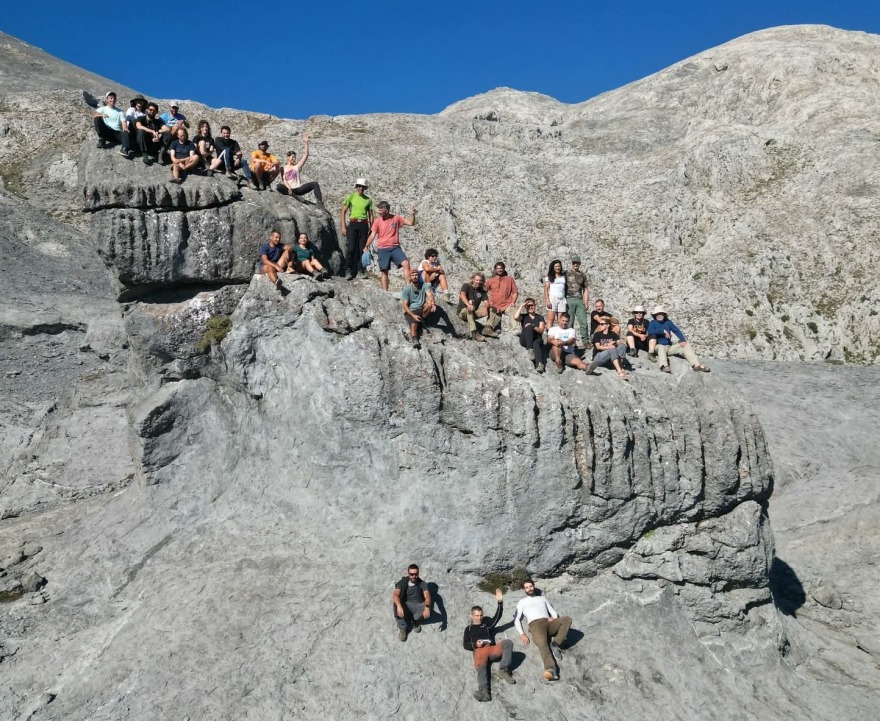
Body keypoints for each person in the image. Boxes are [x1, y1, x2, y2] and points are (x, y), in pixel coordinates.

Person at [513, 578, 572, 682]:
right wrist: (522, 634)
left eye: (530, 586)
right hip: (535, 625)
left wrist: (553, 618)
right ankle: (551, 670)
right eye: (527, 587)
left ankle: (555, 644)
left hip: (548, 623)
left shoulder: (542, 599)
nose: (529, 589)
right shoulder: (522, 602)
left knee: (567, 619)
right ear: (524, 590)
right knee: (543, 644)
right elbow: (516, 619)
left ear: (534, 586)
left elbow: (553, 612)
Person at [462, 588, 515, 702]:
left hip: (492, 649)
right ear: (472, 616)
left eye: (481, 615)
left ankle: (504, 669)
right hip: (479, 651)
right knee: (481, 659)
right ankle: (484, 692)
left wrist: (500, 602)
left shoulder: (487, 625)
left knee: (507, 643)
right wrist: (476, 644)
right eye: (476, 615)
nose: (479, 617)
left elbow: (497, 616)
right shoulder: (469, 628)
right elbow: (465, 644)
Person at [365, 202, 415, 292]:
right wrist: (366, 246)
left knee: (406, 264)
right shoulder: (377, 221)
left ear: (386, 211)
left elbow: (411, 223)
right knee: (384, 271)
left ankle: (408, 289)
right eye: (378, 210)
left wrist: (412, 215)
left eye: (380, 211)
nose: (378, 213)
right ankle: (385, 292)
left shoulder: (396, 218)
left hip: (395, 248)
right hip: (383, 249)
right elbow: (372, 235)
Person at [647, 307, 711, 374]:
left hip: (669, 347)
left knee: (685, 345)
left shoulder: (668, 322)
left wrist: (682, 340)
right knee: (661, 347)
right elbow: (650, 331)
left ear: (664, 314)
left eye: (661, 313)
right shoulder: (652, 322)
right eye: (657, 314)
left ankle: (696, 365)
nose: (659, 315)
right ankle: (664, 366)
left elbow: (676, 330)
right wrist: (662, 331)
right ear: (654, 315)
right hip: (658, 346)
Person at [341, 179, 375, 280]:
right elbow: (343, 211)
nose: (360, 188)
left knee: (362, 248)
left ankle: (361, 271)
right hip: (353, 223)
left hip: (364, 224)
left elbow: (371, 216)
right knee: (351, 248)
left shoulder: (368, 200)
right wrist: (343, 226)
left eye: (362, 186)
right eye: (359, 186)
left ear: (365, 188)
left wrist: (371, 229)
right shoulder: (351, 197)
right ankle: (348, 270)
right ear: (356, 186)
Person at [277, 135, 323, 204]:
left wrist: (306, 143)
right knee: (278, 186)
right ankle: (294, 196)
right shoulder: (283, 168)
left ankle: (320, 203)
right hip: (289, 189)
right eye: (292, 157)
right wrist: (289, 188)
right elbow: (284, 180)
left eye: (295, 157)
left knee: (315, 184)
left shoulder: (297, 166)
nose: (294, 159)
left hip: (298, 189)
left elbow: (306, 155)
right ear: (288, 157)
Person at [393, 564, 431, 642]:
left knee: (429, 604)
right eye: (411, 574)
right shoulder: (402, 583)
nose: (414, 576)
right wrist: (399, 605)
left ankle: (415, 620)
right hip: (405, 605)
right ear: (408, 574)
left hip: (417, 605)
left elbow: (427, 596)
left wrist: (427, 607)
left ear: (418, 574)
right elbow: (395, 595)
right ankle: (403, 627)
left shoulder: (422, 583)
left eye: (415, 574)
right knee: (396, 604)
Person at [401, 268, 436, 350]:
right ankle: (414, 339)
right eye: (412, 275)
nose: (415, 276)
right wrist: (413, 315)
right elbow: (405, 305)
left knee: (429, 304)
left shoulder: (424, 285)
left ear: (418, 275)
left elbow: (430, 295)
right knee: (413, 325)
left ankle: (422, 320)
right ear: (410, 277)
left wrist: (433, 303)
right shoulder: (407, 289)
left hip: (421, 309)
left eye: (416, 275)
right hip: (412, 310)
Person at [458, 273, 497, 342]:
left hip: (473, 312)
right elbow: (462, 295)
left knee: (492, 308)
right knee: (469, 309)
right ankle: (474, 332)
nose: (478, 282)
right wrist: (468, 304)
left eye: (481, 280)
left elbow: (486, 302)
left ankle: (487, 328)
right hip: (463, 311)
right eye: (477, 280)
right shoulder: (466, 286)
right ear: (473, 279)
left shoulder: (482, 291)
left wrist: (485, 307)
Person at [93, 91, 132, 158]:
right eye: (110, 98)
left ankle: (124, 149)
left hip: (117, 133)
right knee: (97, 118)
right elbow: (95, 114)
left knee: (125, 131)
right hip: (107, 132)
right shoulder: (103, 108)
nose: (112, 100)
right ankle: (102, 139)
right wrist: (102, 115)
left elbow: (123, 123)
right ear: (107, 99)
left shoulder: (120, 112)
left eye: (114, 98)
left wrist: (125, 128)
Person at [485, 261, 519, 333]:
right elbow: (484, 292)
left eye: (501, 268)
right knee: (492, 315)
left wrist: (513, 302)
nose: (500, 270)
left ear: (504, 269)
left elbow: (515, 292)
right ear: (495, 269)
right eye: (498, 268)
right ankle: (493, 329)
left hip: (506, 304)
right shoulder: (490, 281)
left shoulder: (509, 279)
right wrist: (487, 303)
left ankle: (516, 330)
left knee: (513, 311)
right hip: (495, 305)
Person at [514, 298, 547, 373]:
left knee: (536, 344)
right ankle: (530, 350)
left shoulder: (540, 317)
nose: (530, 307)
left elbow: (541, 331)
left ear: (535, 306)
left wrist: (533, 326)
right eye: (528, 306)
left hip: (536, 338)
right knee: (528, 327)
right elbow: (515, 317)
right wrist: (521, 306)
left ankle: (540, 364)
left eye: (532, 305)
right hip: (525, 339)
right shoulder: (524, 316)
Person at [565, 255, 590, 347]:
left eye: (577, 263)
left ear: (579, 264)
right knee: (569, 322)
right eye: (574, 263)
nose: (575, 264)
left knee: (583, 321)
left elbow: (586, 289)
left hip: (579, 300)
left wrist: (586, 303)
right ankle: (570, 341)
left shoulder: (582, 275)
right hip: (568, 300)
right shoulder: (566, 273)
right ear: (571, 264)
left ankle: (586, 341)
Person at [543, 259, 566, 328]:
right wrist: (547, 301)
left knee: (561, 320)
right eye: (556, 266)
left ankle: (560, 336)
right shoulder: (549, 277)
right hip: (553, 299)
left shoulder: (563, 276)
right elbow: (546, 289)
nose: (557, 268)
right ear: (553, 267)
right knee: (551, 319)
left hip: (562, 299)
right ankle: (549, 336)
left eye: (559, 266)